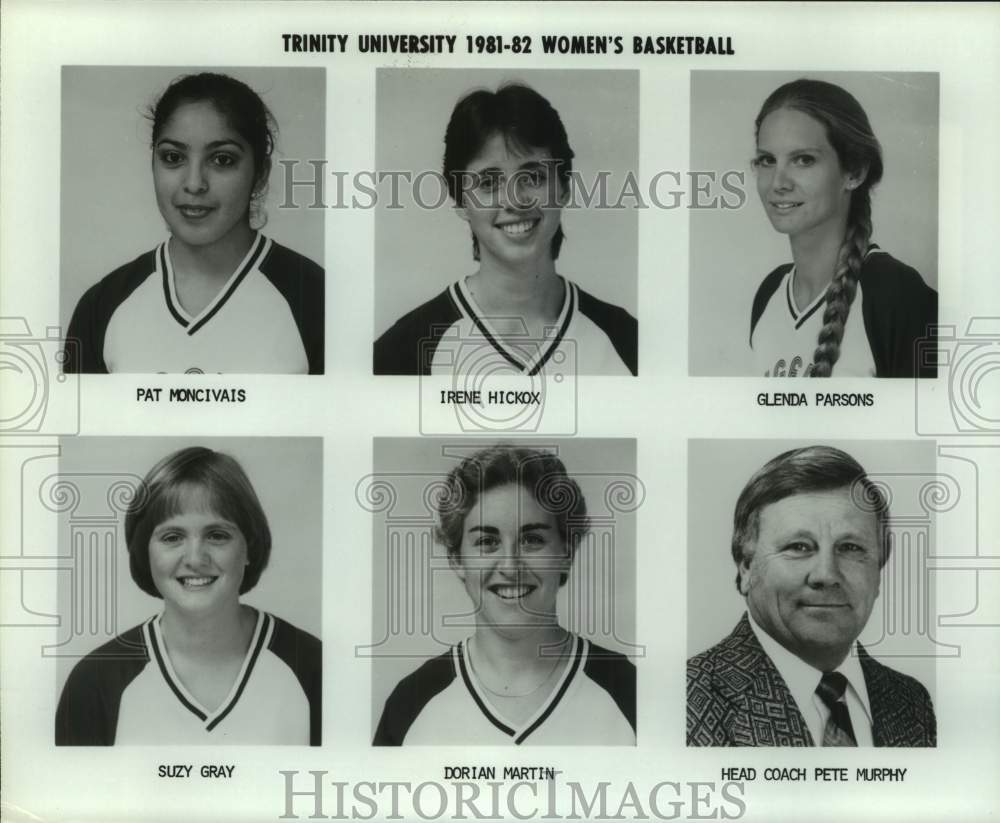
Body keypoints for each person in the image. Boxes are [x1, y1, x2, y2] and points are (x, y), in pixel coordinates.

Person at [55, 447, 321, 745]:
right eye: (172, 537)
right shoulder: (94, 682)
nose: (195, 558)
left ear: (249, 547)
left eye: (217, 535)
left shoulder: (313, 668)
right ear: (145, 551)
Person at [374, 445, 635, 745]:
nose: (510, 566)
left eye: (532, 539)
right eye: (487, 541)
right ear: (457, 559)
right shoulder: (411, 703)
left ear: (566, 551)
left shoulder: (629, 692)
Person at [65, 73, 324, 374]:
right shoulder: (102, 307)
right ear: (153, 164)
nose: (194, 183)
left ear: (261, 173)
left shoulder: (316, 301)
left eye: (222, 160)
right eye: (173, 157)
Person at [373, 83, 638, 376]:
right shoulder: (401, 352)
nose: (515, 200)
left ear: (564, 187)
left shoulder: (627, 340)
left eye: (533, 177)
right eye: (489, 183)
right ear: (461, 202)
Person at [687, 446, 936, 747]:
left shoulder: (912, 702)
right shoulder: (686, 700)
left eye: (851, 548)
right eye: (799, 547)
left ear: (878, 572)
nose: (826, 574)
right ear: (746, 568)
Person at [749, 79, 937, 378]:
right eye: (767, 160)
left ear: (855, 172)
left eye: (803, 160)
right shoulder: (769, 293)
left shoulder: (896, 294)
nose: (778, 183)